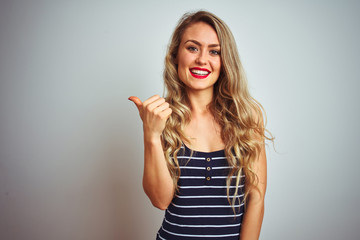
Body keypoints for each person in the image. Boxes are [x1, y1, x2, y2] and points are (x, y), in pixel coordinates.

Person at [129, 10, 272, 240]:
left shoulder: (247, 116)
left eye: (214, 51)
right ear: (176, 54)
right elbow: (160, 200)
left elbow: (256, 197)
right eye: (192, 48)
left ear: (225, 61)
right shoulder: (161, 116)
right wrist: (152, 135)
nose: (202, 59)